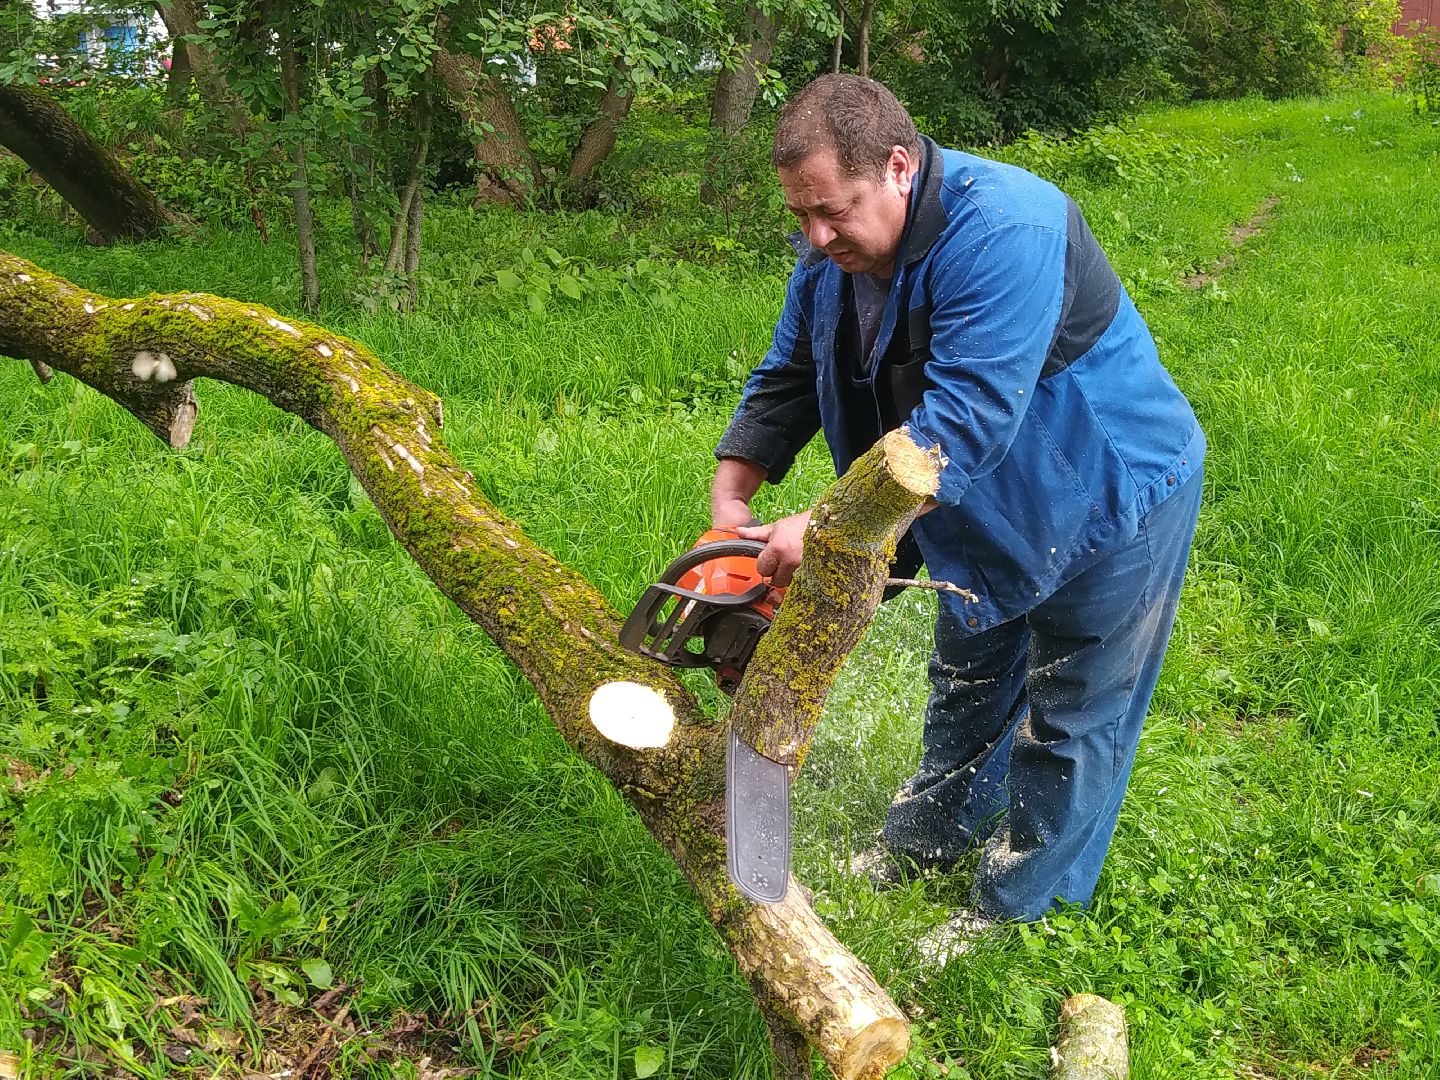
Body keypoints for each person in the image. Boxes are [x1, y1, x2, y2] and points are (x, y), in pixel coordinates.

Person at [709, 75, 1205, 926]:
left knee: (1073, 708)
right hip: (970, 496)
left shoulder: (1008, 227)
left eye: (836, 209)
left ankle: (1019, 910)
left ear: (899, 166)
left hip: (1105, 487)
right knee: (970, 671)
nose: (818, 234)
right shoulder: (833, 259)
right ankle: (928, 839)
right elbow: (792, 371)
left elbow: (965, 419)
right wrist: (734, 491)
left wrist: (822, 527)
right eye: (802, 214)